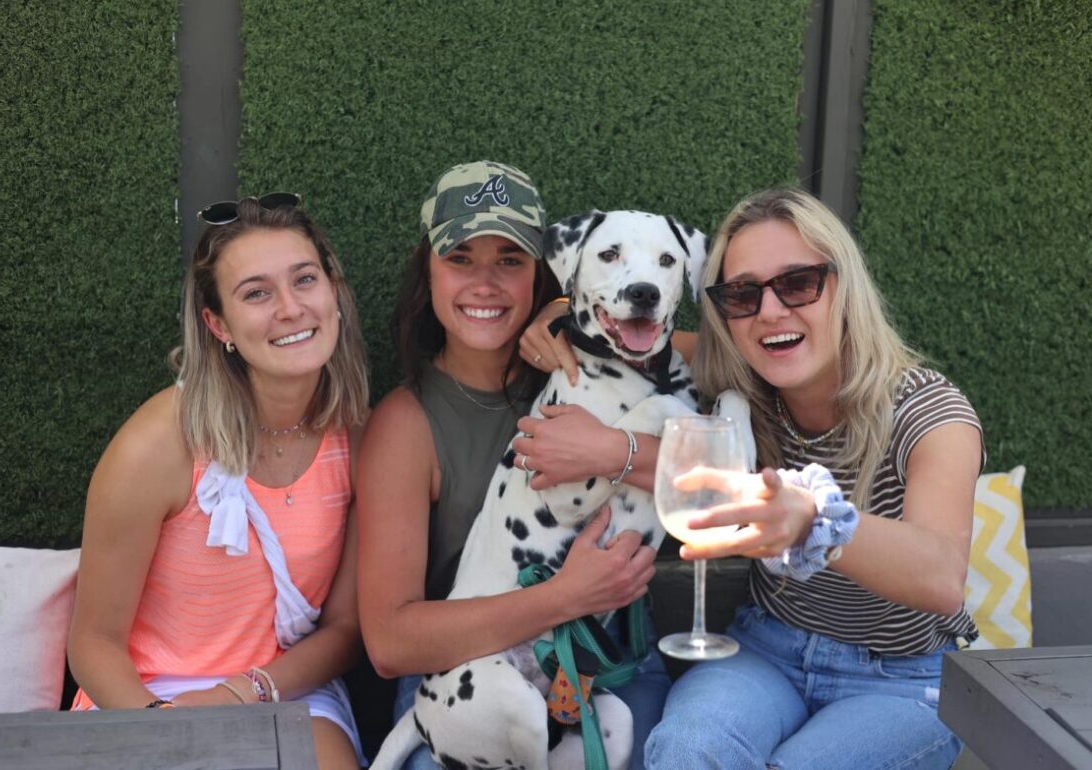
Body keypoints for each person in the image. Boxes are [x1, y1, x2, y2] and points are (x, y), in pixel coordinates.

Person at [643, 187, 984, 770]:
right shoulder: (749, 390)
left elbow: (941, 575)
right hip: (765, 649)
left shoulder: (930, 413)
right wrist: (554, 318)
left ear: (843, 286)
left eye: (798, 284)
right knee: (686, 749)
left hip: (899, 677)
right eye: (743, 295)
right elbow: (632, 339)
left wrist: (812, 523)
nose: (771, 311)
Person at [356, 160, 671, 770]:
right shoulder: (407, 423)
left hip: (609, 669)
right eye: (461, 258)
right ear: (428, 272)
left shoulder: (596, 359)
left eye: (510, 260)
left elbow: (711, 358)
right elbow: (391, 643)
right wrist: (565, 597)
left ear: (543, 273)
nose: (486, 283)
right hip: (468, 684)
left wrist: (563, 315)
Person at [68, 194, 371, 769]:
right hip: (144, 695)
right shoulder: (158, 444)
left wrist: (241, 692)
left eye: (304, 280)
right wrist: (167, 729)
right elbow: (93, 643)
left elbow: (347, 628)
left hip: (282, 687)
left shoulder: (355, 435)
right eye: (256, 293)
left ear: (334, 294)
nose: (289, 308)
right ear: (217, 324)